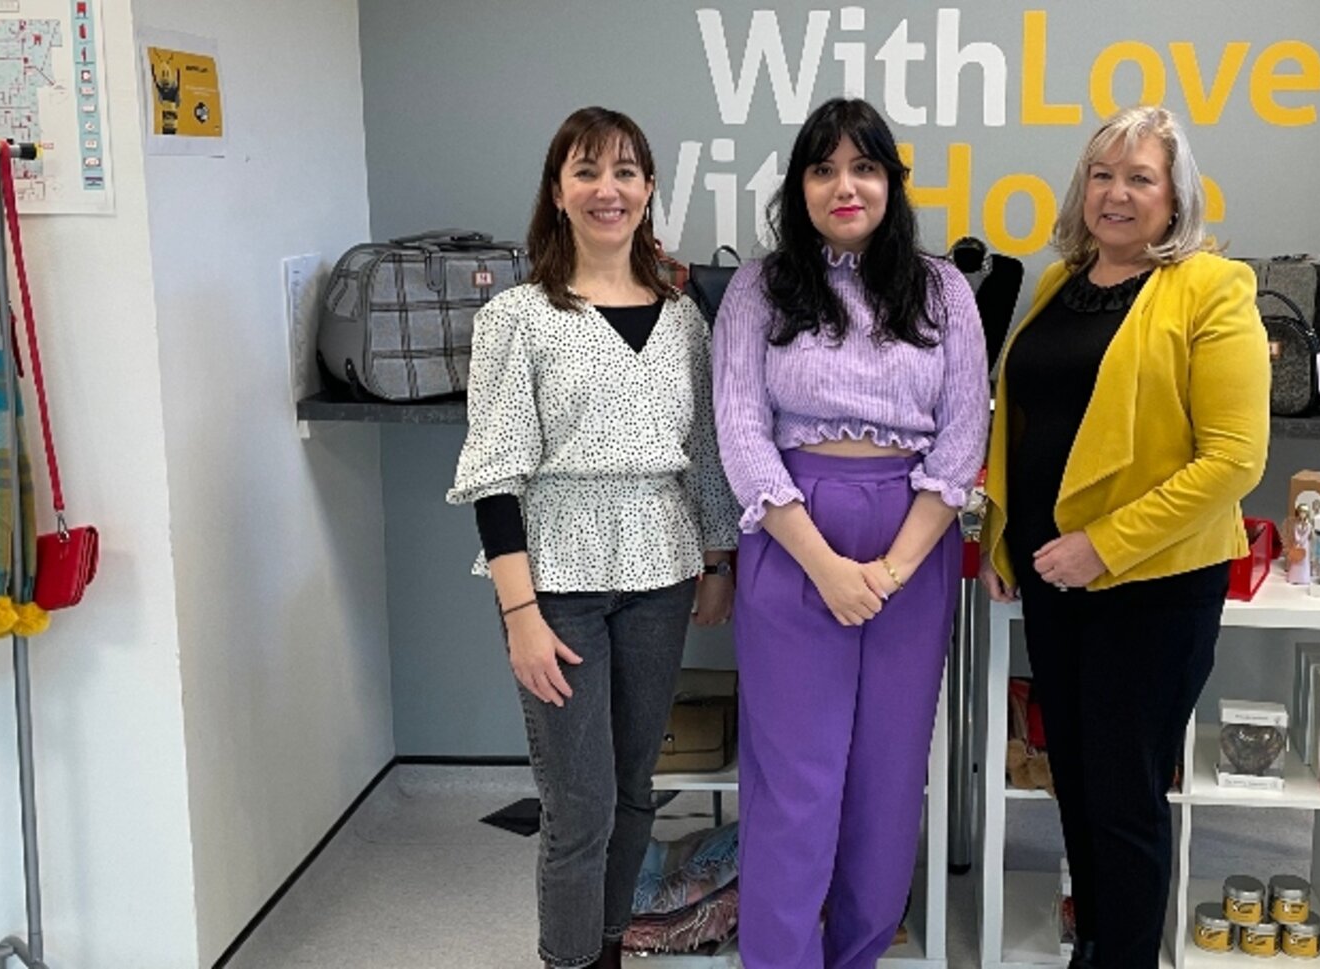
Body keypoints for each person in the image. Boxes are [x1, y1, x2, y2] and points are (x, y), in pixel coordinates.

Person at [978, 105, 1271, 968]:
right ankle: (1096, 946)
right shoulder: (1057, 282)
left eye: (1140, 178)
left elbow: (1234, 458)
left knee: (1125, 798)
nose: (1117, 194)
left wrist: (1104, 544)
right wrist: (1005, 540)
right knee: (1075, 781)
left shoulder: (1213, 288)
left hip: (1149, 588)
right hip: (1054, 581)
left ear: (1175, 198)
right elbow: (1026, 422)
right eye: (1102, 175)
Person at [446, 107, 738, 969]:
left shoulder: (684, 317)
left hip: (661, 570)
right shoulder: (519, 316)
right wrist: (520, 615)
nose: (606, 190)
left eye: (624, 172)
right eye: (586, 171)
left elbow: (706, 455)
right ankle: (569, 960)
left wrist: (716, 560)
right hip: (557, 579)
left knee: (636, 793)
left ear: (649, 190)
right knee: (581, 807)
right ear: (558, 191)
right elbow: (493, 473)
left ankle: (611, 948)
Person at [712, 97, 989, 969]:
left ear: (890, 183)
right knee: (795, 786)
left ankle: (858, 957)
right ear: (799, 186)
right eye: (824, 168)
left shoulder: (942, 288)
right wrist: (828, 565)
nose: (844, 186)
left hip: (914, 533)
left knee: (887, 781)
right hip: (794, 532)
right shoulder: (762, 287)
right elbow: (740, 429)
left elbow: (962, 437)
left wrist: (897, 565)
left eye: (863, 167)